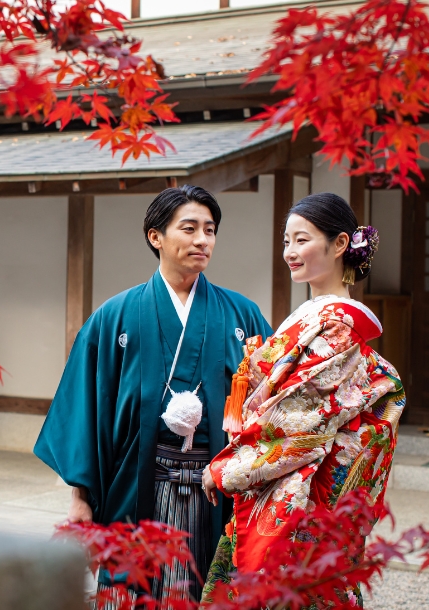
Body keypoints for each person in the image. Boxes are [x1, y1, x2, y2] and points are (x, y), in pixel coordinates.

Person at [34, 185, 272, 602]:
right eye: (190, 229)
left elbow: (270, 407)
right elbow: (86, 412)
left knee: (208, 592)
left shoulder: (243, 315)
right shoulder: (114, 317)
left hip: (216, 489)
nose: (202, 240)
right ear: (155, 236)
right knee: (134, 593)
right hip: (136, 486)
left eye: (210, 230)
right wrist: (81, 498)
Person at [200, 193, 406, 603]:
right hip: (287, 487)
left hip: (303, 496)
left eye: (302, 240)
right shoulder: (314, 316)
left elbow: (300, 421)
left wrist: (227, 469)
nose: (289, 252)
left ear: (341, 244)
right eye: (286, 241)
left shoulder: (339, 327)